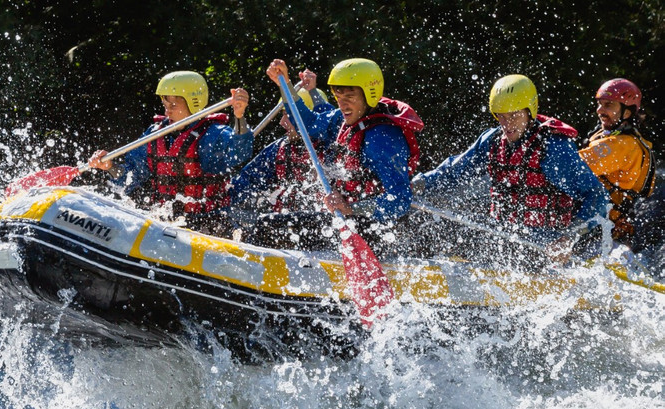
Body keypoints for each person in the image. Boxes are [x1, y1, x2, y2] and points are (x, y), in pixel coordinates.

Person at [411, 74, 610, 265]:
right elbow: (454, 171)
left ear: (529, 112)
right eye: (501, 117)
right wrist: (417, 184)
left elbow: (597, 195)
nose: (507, 124)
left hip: (547, 247)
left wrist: (569, 238)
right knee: (436, 229)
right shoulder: (492, 140)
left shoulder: (554, 149)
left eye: (514, 116)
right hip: (503, 238)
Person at [252, 58, 423, 252]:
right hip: (348, 221)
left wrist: (352, 209)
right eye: (338, 96)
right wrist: (285, 84)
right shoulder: (342, 119)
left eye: (349, 96)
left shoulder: (381, 140)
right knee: (270, 222)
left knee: (268, 225)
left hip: (379, 230)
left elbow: (400, 200)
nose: (342, 104)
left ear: (370, 94)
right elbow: (307, 123)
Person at [87, 71, 253, 232]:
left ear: (193, 103)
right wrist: (109, 166)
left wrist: (239, 116)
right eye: (165, 105)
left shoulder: (212, 134)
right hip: (164, 221)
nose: (167, 112)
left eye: (173, 105)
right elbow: (130, 177)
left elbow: (239, 153)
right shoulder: (155, 134)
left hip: (207, 224)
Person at [231, 69, 334, 213]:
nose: (281, 122)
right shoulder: (279, 149)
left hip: (323, 219)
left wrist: (313, 91)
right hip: (287, 221)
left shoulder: (331, 147)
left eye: (288, 115)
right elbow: (244, 181)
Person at [578, 78, 656, 246]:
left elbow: (573, 166)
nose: (600, 110)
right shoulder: (616, 137)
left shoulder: (622, 145)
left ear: (627, 113)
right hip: (607, 230)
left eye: (608, 105)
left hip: (606, 235)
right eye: (599, 104)